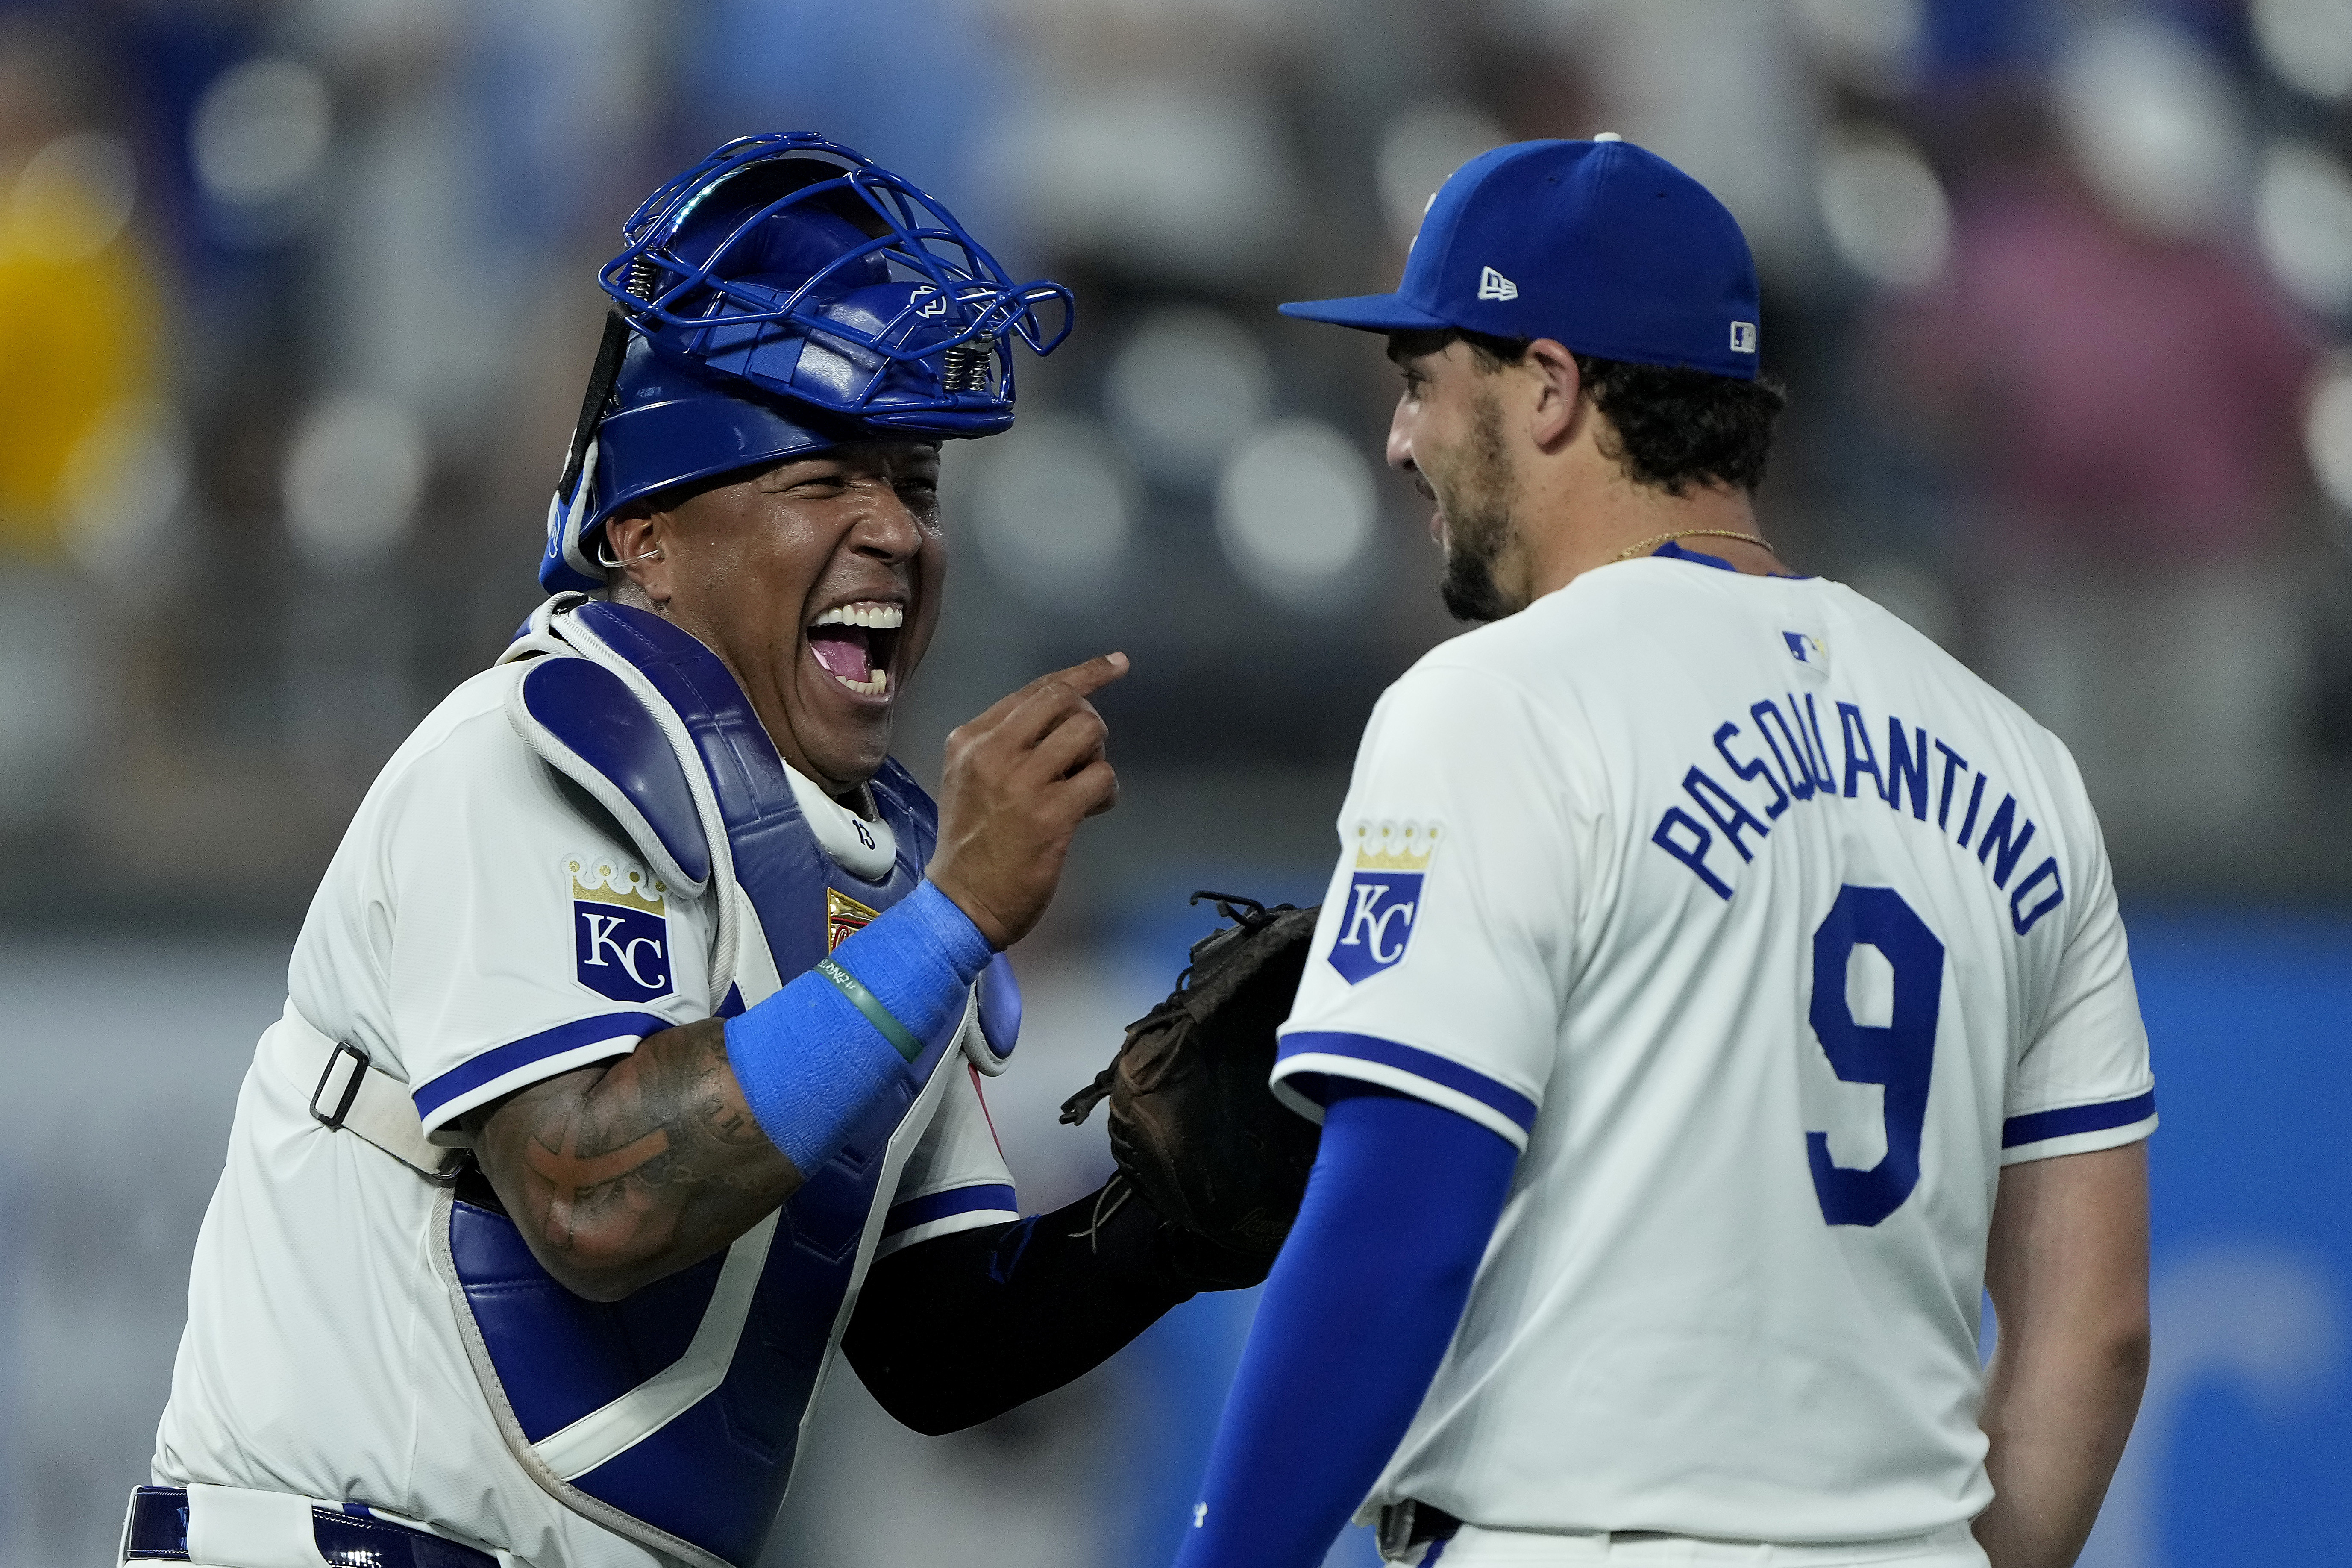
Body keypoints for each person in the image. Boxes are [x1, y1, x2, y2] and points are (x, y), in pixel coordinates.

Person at [132, 133, 1262, 1568]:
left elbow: (933, 1346)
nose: (896, 532)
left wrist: (1176, 1218)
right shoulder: (528, 755)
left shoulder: (886, 868)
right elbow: (592, 1196)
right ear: (647, 535)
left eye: (915, 481)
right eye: (821, 480)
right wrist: (956, 917)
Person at [1176, 138, 2154, 1568]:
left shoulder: (1500, 701)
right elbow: (2097, 1329)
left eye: (1420, 380)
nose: (1398, 441)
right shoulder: (2017, 758)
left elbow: (1397, 1237)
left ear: (1552, 388)